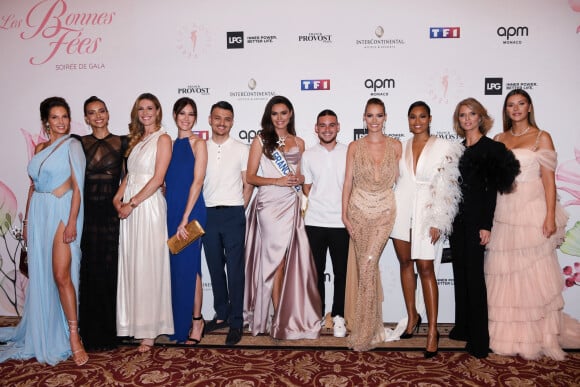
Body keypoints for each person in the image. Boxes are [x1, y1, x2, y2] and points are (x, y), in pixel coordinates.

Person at [485, 89, 580, 360]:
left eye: (521, 104)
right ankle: (507, 336)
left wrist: (549, 215)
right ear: (506, 110)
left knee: (533, 275)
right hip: (504, 211)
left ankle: (537, 336)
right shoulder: (499, 139)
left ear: (529, 107)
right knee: (506, 274)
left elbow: (549, 181)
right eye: (511, 105)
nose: (516, 109)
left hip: (531, 210)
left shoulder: (542, 137)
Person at [0, 97, 88, 365]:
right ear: (46, 122)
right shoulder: (40, 147)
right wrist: (26, 224)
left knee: (62, 275)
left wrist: (72, 221)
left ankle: (73, 336)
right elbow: (32, 186)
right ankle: (45, 331)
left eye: (65, 117)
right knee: (42, 276)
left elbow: (78, 187)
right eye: (55, 117)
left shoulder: (73, 145)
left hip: (62, 212)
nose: (61, 122)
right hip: (39, 214)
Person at [244, 95, 321, 340]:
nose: (279, 118)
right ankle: (275, 316)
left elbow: (301, 175)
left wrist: (298, 179)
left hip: (291, 202)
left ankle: (284, 315)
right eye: (275, 113)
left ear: (290, 115)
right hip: (269, 204)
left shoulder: (299, 142)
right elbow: (251, 177)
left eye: (283, 113)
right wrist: (276, 180)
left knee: (288, 262)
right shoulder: (260, 140)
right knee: (274, 262)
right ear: (269, 115)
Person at [390, 101, 462, 358]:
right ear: (407, 120)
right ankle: (412, 316)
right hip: (402, 210)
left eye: (422, 116)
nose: (417, 121)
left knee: (427, 268)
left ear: (430, 118)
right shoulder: (403, 146)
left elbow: (449, 186)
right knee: (405, 263)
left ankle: (433, 330)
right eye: (412, 117)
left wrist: (438, 220)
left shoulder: (445, 146)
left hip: (428, 213)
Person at [449, 97, 519, 359]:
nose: (467, 119)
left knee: (475, 278)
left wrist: (486, 225)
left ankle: (479, 340)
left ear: (481, 117)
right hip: (457, 222)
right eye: (462, 115)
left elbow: (492, 192)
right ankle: (463, 328)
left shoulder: (493, 149)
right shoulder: (457, 149)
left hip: (478, 221)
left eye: (472, 114)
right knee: (461, 275)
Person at [113, 93, 174, 352]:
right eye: (141, 109)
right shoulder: (138, 140)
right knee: (133, 265)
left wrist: (132, 203)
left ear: (158, 111)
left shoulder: (163, 139)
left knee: (148, 265)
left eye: (150, 108)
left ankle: (150, 330)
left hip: (147, 208)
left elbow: (158, 178)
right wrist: (117, 199)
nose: (145, 113)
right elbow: (130, 175)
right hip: (130, 207)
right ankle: (134, 324)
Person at [342, 97, 401, 351]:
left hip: (384, 211)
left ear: (385, 117)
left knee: (367, 265)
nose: (374, 120)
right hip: (358, 211)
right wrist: (344, 214)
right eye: (370, 116)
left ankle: (364, 332)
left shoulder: (397, 146)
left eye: (379, 115)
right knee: (366, 270)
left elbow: (404, 182)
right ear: (364, 118)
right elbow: (347, 182)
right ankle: (372, 326)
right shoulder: (354, 147)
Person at [77, 96, 127, 352]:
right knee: (88, 269)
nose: (98, 116)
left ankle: (111, 331)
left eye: (102, 111)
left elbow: (131, 176)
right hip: (86, 215)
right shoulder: (78, 143)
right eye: (92, 113)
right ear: (86, 118)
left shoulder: (123, 142)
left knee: (111, 270)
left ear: (108, 114)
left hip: (112, 213)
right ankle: (88, 331)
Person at [202, 101, 253, 346]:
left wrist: (239, 207)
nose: (222, 123)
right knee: (214, 266)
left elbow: (248, 183)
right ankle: (221, 313)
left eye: (227, 119)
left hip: (233, 213)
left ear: (232, 122)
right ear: (210, 120)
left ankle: (235, 320)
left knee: (235, 270)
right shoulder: (200, 148)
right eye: (218, 118)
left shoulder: (242, 148)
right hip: (208, 214)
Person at [302, 109, 349, 338]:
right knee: (316, 273)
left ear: (338, 127)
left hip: (342, 223)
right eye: (323, 125)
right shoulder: (308, 155)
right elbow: (307, 187)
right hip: (315, 222)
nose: (327, 129)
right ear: (316, 128)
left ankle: (339, 316)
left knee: (341, 273)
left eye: (332, 125)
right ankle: (318, 315)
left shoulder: (349, 152)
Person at [165, 97, 207, 345]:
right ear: (174, 115)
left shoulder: (198, 143)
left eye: (191, 114)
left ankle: (197, 321)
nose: (186, 118)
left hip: (191, 214)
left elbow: (198, 181)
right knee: (176, 268)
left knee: (191, 268)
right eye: (182, 113)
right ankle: (179, 321)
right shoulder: (169, 145)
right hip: (171, 212)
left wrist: (184, 218)